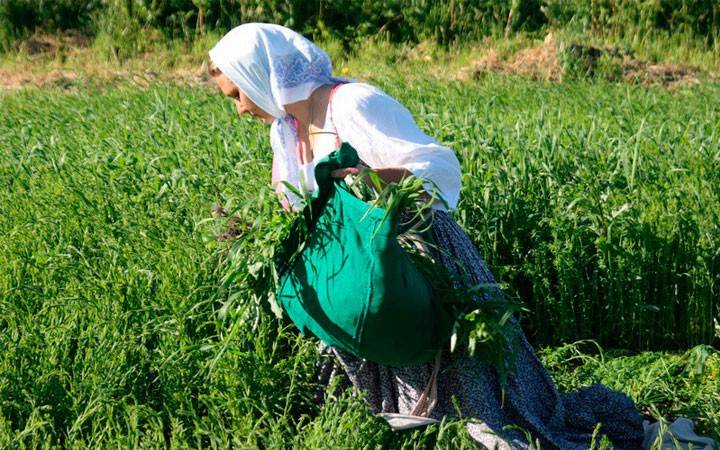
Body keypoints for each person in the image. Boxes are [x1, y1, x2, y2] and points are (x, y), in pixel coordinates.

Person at [207, 23, 659, 450]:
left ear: (262, 75)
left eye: (239, 94)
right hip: (356, 266)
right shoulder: (284, 130)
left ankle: (469, 423)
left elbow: (440, 167)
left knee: (468, 384)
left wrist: (369, 179)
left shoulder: (352, 104)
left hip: (418, 253)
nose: (241, 108)